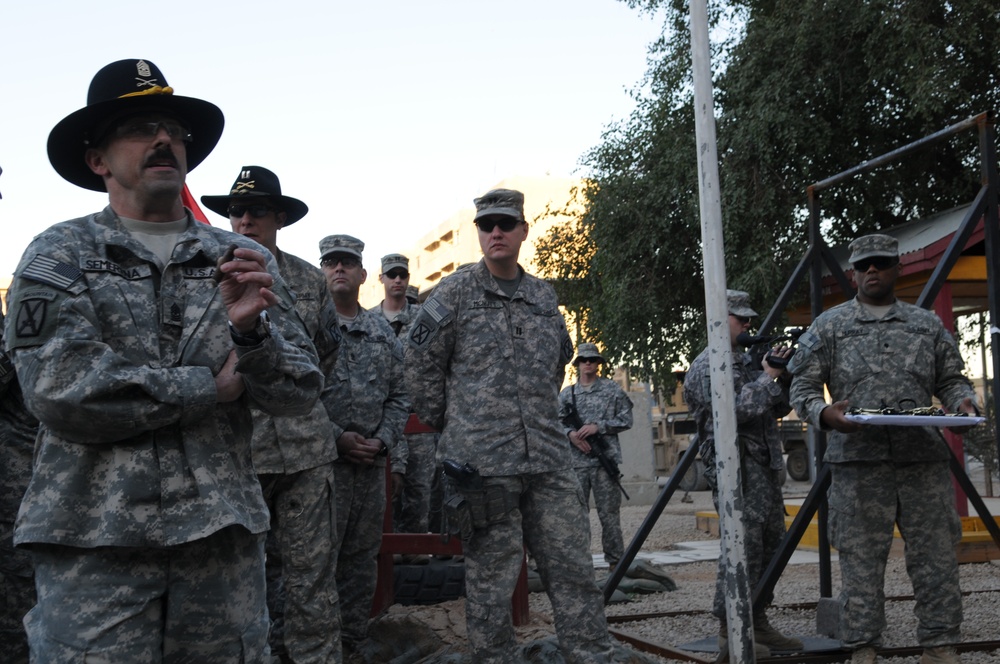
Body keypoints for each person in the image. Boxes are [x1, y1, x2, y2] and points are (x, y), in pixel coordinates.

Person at [3, 58, 323, 661]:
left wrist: (252, 337)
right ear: (97, 159)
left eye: (174, 131)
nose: (163, 140)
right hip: (96, 544)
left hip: (218, 543)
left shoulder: (239, 255)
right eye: (139, 127)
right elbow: (61, 390)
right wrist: (207, 386)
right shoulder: (60, 253)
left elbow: (299, 391)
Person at [405, 188, 615, 663]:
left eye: (504, 223)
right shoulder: (455, 292)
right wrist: (455, 422)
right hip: (483, 465)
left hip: (547, 458)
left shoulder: (543, 295)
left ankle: (591, 656)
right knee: (491, 580)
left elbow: (560, 355)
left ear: (523, 231)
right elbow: (418, 363)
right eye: (486, 225)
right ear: (478, 233)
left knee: (573, 568)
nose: (495, 232)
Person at [788, 234, 978, 664]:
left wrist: (963, 403)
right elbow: (800, 386)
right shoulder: (830, 326)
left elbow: (951, 379)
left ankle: (941, 646)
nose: (872, 271)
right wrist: (823, 414)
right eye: (864, 265)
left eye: (881, 263)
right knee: (860, 561)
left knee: (935, 559)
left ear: (896, 268)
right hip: (857, 463)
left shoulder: (925, 324)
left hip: (921, 462)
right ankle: (863, 647)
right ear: (854, 273)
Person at [201, 166, 342, 663]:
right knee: (241, 584)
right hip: (242, 453)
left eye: (257, 210)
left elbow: (323, 353)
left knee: (312, 582)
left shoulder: (307, 278)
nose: (244, 220)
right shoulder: (206, 278)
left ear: (279, 216)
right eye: (236, 211)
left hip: (306, 453)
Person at [683, 290, 804, 659]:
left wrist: (782, 373)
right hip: (735, 470)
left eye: (750, 318)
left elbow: (777, 406)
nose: (749, 324)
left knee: (770, 547)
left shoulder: (745, 362)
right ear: (719, 320)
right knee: (741, 548)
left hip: (761, 468)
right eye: (741, 318)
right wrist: (767, 375)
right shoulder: (708, 366)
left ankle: (757, 617)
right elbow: (735, 410)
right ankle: (729, 627)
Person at [318, 235, 409, 658]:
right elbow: (297, 396)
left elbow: (400, 395)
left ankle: (352, 644)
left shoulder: (381, 332)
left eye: (347, 263)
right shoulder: (310, 328)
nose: (339, 269)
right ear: (322, 271)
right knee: (316, 562)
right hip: (322, 469)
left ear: (361, 274)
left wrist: (383, 439)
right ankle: (317, 648)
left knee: (360, 559)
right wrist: (336, 437)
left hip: (371, 467)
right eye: (331, 262)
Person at [558, 342, 633, 571]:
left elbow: (626, 419)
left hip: (604, 463)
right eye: (584, 360)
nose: (588, 363)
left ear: (599, 364)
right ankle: (580, 564)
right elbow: (552, 422)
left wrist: (598, 427)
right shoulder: (566, 395)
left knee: (609, 515)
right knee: (576, 517)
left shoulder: (612, 390)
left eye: (592, 360)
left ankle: (615, 562)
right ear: (578, 364)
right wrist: (570, 434)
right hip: (577, 464)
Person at [378, 253, 437, 537]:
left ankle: (413, 552)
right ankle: (383, 554)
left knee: (420, 488)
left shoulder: (423, 318)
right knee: (384, 490)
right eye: (392, 275)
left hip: (418, 419)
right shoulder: (368, 320)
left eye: (402, 274)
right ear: (382, 279)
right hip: (381, 419)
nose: (398, 279)